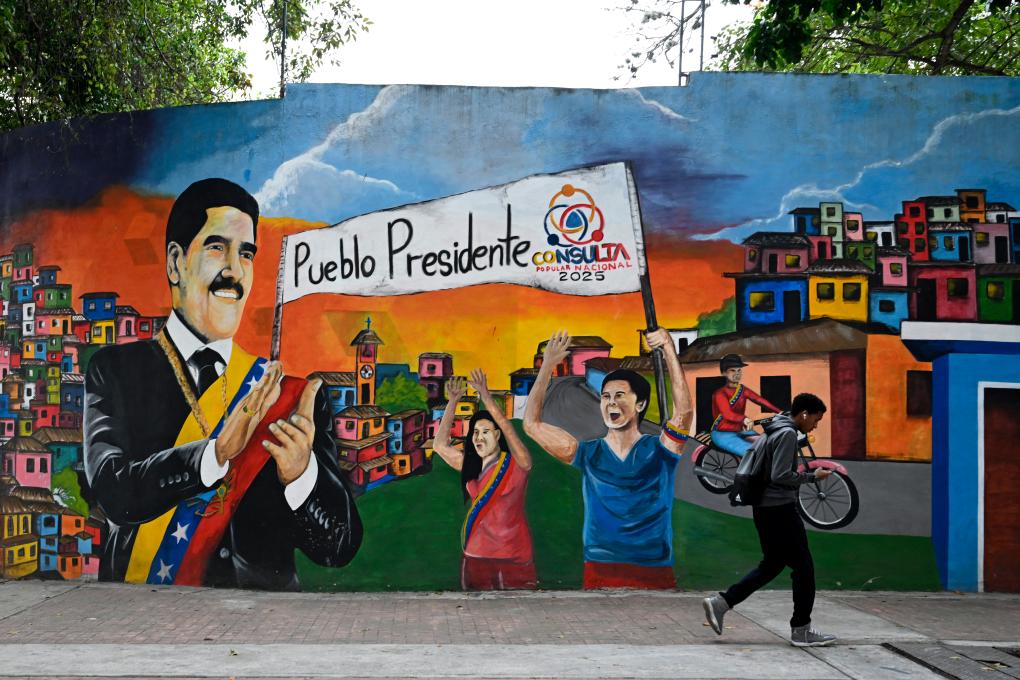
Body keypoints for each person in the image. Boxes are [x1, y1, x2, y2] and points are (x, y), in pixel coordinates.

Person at [84, 177, 362, 590]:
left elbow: (337, 548)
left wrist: (302, 475)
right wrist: (214, 454)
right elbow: (113, 492)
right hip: (147, 612)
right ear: (175, 262)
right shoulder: (115, 371)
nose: (234, 270)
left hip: (264, 619)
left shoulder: (292, 397)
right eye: (217, 248)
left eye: (246, 253)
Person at [524, 328, 693, 589]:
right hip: (599, 567)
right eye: (606, 396)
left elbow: (684, 413)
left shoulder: (660, 450)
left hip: (654, 568)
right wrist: (547, 366)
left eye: (619, 396)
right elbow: (532, 425)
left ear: (640, 404)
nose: (611, 403)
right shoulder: (587, 453)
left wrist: (668, 348)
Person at [703, 393, 837, 647]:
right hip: (780, 509)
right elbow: (780, 475)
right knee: (804, 569)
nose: (815, 426)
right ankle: (801, 630)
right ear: (804, 414)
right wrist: (812, 477)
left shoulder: (775, 426)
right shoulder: (787, 434)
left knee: (772, 565)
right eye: (816, 420)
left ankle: (722, 603)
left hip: (764, 509)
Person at [432, 370, 535, 590]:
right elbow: (439, 445)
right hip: (475, 555)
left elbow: (507, 428)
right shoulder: (470, 465)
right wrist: (453, 401)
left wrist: (486, 397)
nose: (478, 437)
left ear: (497, 435)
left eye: (485, 432)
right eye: (475, 432)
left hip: (514, 555)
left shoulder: (517, 464)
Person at [710, 354, 782, 456]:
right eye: (732, 370)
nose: (737, 373)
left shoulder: (742, 390)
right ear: (724, 373)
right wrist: (744, 419)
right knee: (753, 453)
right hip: (722, 433)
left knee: (768, 445)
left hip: (741, 431)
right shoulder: (720, 394)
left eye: (739, 370)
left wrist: (779, 412)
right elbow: (727, 414)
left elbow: (759, 400)